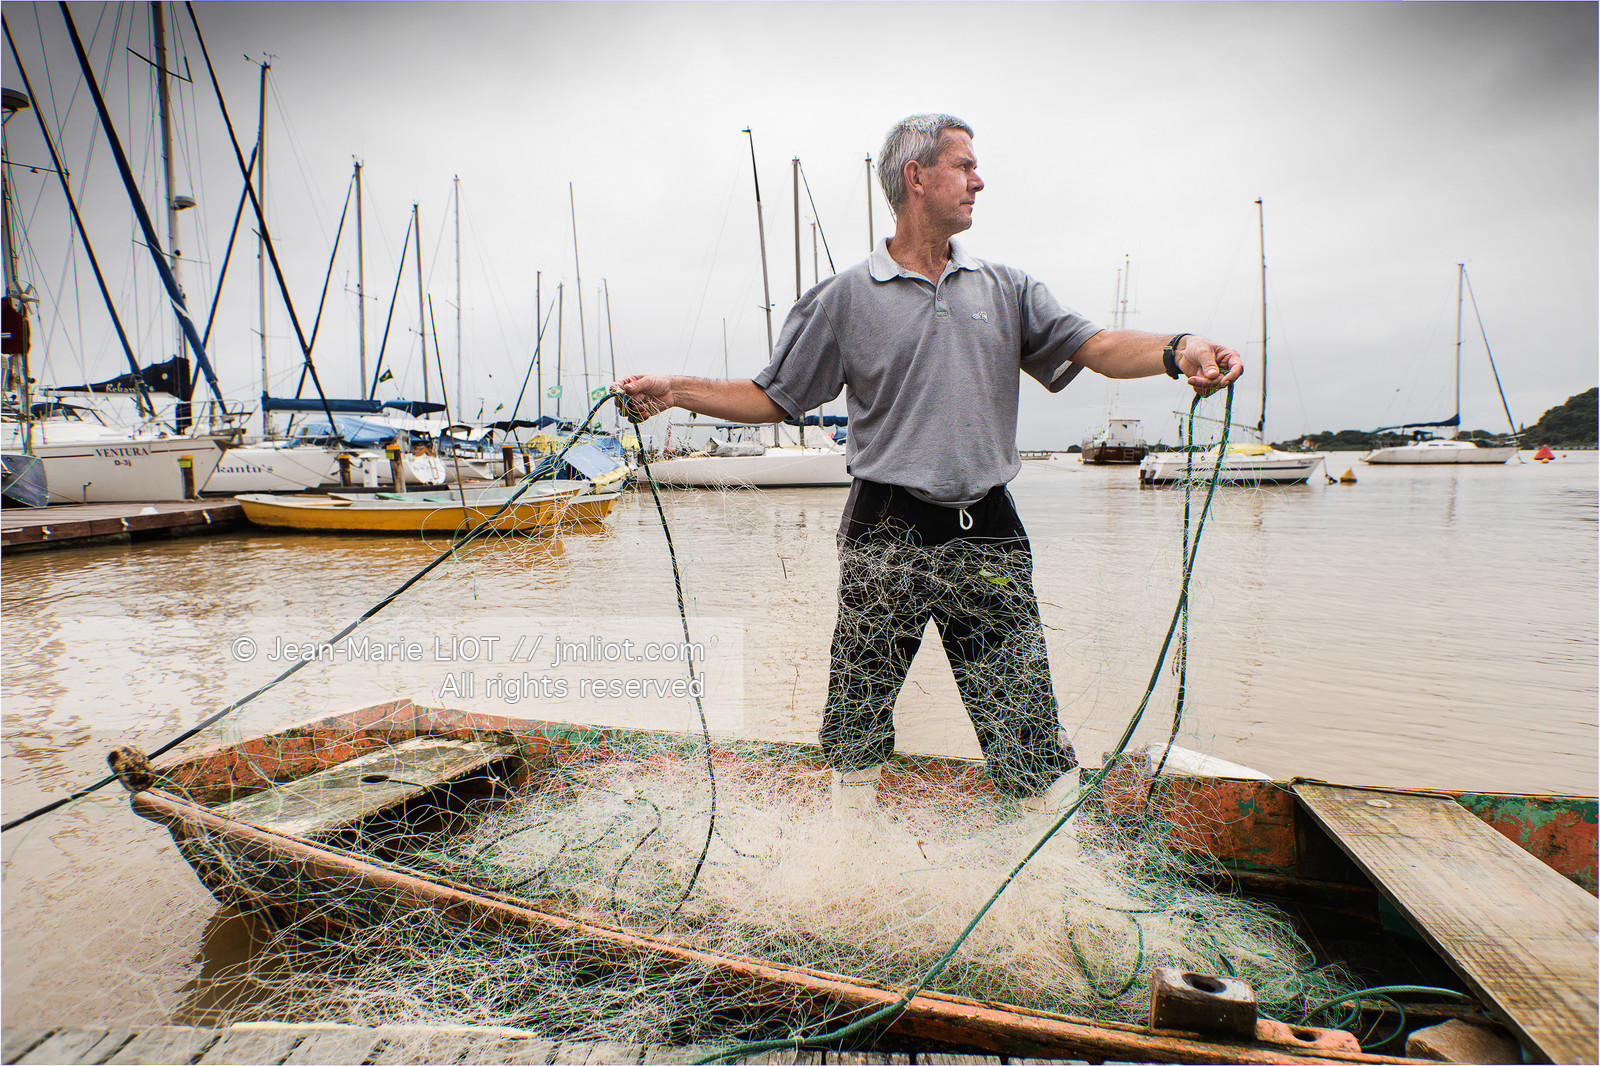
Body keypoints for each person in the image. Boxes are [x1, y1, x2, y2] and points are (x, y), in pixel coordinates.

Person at [614, 113, 1242, 819]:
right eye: (964, 165)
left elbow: (1095, 346)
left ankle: (1049, 879)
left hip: (990, 531)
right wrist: (677, 393)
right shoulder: (846, 297)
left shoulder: (1007, 287)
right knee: (856, 718)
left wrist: (1178, 348)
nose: (979, 180)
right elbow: (774, 396)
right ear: (917, 178)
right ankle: (844, 870)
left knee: (1026, 725)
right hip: (886, 527)